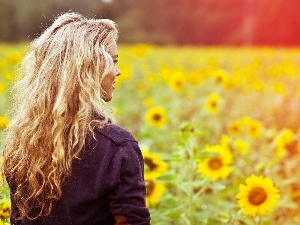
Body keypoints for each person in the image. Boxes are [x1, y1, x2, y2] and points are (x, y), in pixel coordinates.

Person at [2, 12, 151, 225]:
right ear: (88, 67)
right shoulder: (117, 147)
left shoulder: (22, 142)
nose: (118, 71)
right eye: (114, 61)